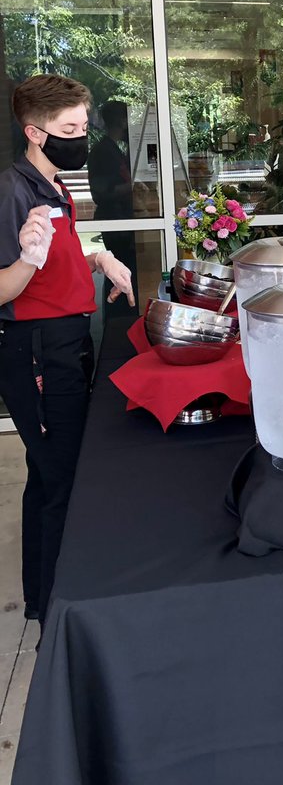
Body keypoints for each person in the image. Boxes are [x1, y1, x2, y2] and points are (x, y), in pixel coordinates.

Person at [0, 74, 134, 625]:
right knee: (59, 479)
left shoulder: (52, 184)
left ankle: (43, 592)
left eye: (84, 125)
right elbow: (6, 287)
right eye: (69, 129)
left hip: (67, 340)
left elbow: (57, 255)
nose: (81, 137)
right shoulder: (13, 190)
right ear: (35, 132)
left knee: (49, 471)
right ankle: (55, 608)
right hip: (36, 350)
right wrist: (27, 259)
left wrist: (98, 259)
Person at [87, 99, 138, 311]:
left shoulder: (116, 148)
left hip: (122, 218)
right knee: (117, 270)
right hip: (115, 221)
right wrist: (133, 186)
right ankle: (117, 315)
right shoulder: (102, 151)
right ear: (120, 120)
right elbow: (104, 192)